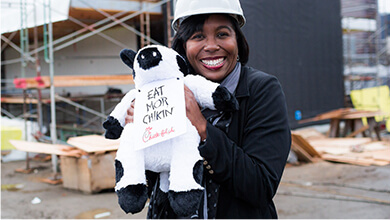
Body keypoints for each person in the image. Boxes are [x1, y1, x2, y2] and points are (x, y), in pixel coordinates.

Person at [125, 0, 291, 218]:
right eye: (198, 36)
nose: (211, 46)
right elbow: (150, 184)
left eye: (222, 34)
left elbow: (261, 186)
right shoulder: (168, 90)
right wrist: (140, 138)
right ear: (183, 45)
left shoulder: (262, 90)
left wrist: (202, 129)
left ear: (238, 41)